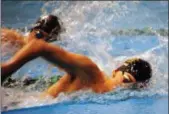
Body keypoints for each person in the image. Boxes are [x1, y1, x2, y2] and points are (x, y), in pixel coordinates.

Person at [1, 14, 152, 98]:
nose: (126, 88)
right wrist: (6, 71)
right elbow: (38, 47)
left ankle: (41, 32)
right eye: (126, 80)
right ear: (115, 71)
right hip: (13, 101)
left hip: (21, 98)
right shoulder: (90, 72)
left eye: (134, 88)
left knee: (24, 43)